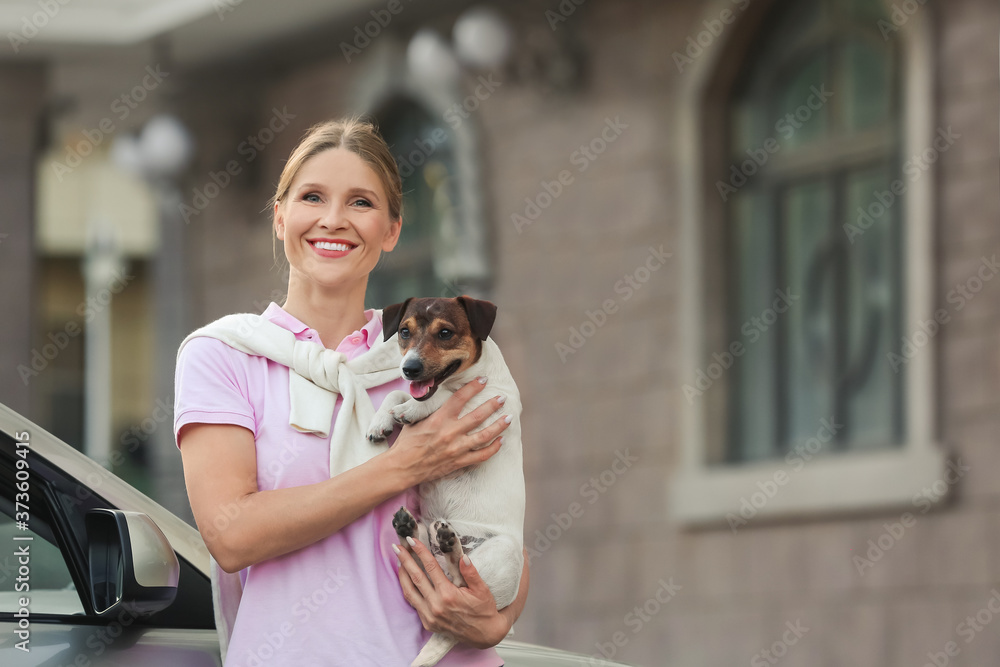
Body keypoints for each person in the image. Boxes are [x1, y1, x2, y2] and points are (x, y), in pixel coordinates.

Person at [174, 117, 529, 666]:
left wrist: (495, 618)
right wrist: (401, 466)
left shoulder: (428, 364)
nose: (334, 220)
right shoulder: (224, 355)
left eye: (361, 202)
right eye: (312, 196)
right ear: (280, 216)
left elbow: (500, 520)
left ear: (391, 230)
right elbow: (232, 535)